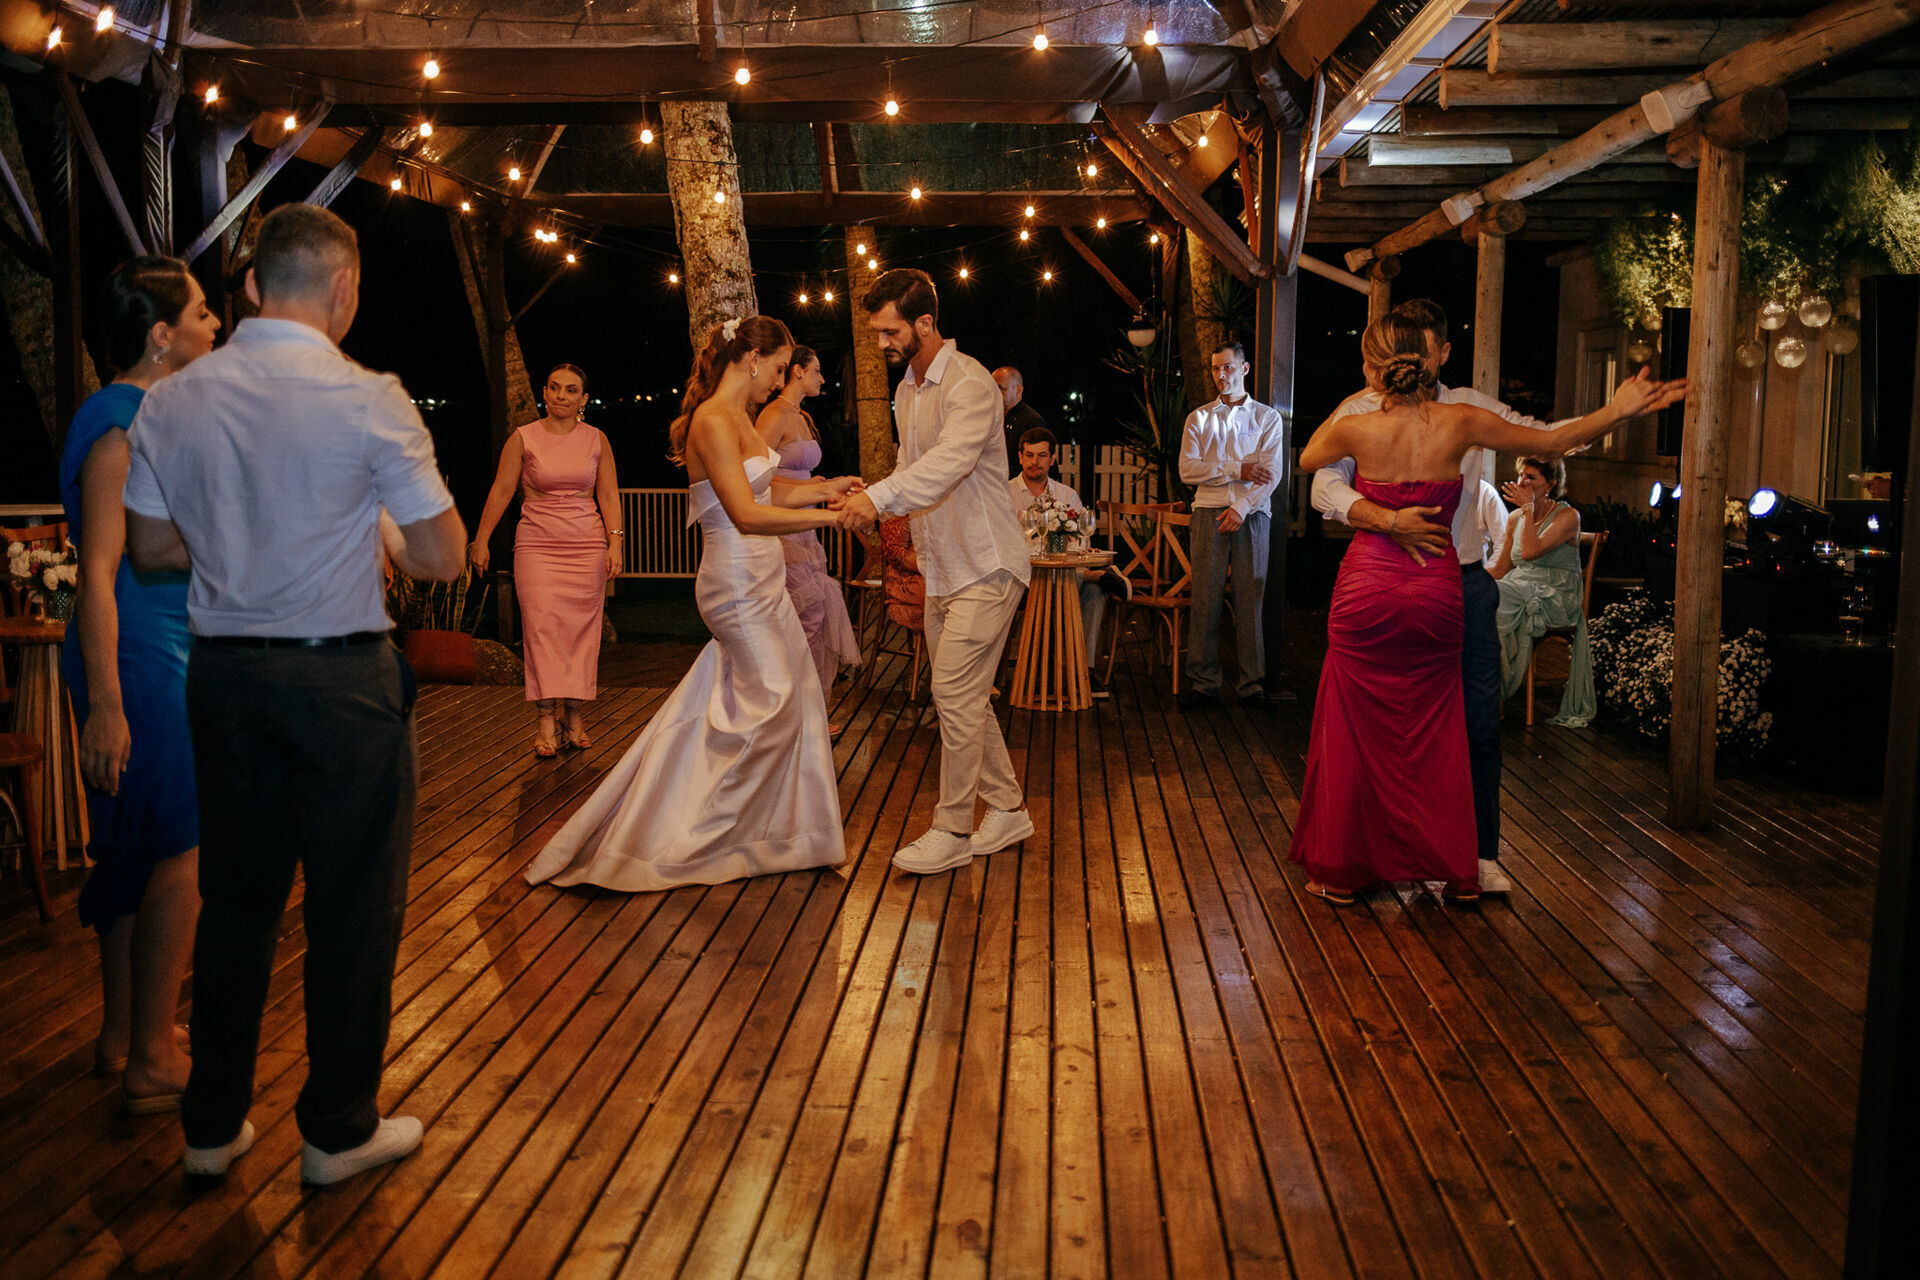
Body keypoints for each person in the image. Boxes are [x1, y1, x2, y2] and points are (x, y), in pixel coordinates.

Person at [123, 203, 466, 1184]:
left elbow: (150, 549)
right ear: (344, 288)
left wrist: (243, 544)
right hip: (341, 677)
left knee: (237, 899)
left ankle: (211, 1124)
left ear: (252, 285)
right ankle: (336, 1128)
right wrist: (381, 531)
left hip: (224, 674)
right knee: (352, 906)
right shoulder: (369, 396)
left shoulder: (172, 402)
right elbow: (443, 555)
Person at [1292, 313, 1683, 905]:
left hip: (1369, 587)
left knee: (1357, 722)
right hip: (1436, 590)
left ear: (1376, 369)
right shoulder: (1463, 421)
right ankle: (1449, 861)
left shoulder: (1355, 425)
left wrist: (1368, 410)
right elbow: (1552, 443)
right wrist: (1618, 409)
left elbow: (1306, 463)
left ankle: (1345, 868)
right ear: (1430, 361)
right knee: (1437, 726)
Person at [523, 316, 857, 893]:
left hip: (765, 580)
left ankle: (781, 832)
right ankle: (701, 833)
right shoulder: (710, 420)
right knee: (774, 699)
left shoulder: (741, 419)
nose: (777, 381)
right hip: (735, 583)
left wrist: (827, 488)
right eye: (778, 369)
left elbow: (766, 489)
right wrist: (834, 518)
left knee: (792, 695)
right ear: (753, 358)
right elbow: (746, 515)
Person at [1310, 297, 1559, 896]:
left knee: (1474, 723)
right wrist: (1383, 517)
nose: (1406, 362)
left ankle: (1473, 857)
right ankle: (1374, 857)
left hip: (1462, 582)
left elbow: (1540, 436)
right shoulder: (1359, 409)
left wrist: (1587, 431)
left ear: (1442, 353)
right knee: (1376, 722)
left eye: (1418, 351)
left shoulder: (1471, 410)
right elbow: (1323, 482)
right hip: (1384, 575)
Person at [60, 256, 219, 1113]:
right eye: (200, 311)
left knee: (129, 841)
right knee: (184, 843)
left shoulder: (143, 414)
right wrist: (110, 704)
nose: (214, 322)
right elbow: (98, 572)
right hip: (142, 655)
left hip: (150, 647)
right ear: (161, 336)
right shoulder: (121, 425)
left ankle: (123, 1033)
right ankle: (156, 1056)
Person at [839, 269, 1034, 875]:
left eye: (889, 331)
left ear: (926, 322)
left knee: (951, 691)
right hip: (943, 569)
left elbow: (949, 465)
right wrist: (870, 491)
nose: (880, 344)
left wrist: (879, 500)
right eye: (875, 333)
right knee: (966, 697)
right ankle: (1006, 809)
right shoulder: (905, 392)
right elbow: (909, 465)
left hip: (989, 564)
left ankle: (952, 827)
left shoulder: (971, 384)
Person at [468, 364, 619, 756]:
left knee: (580, 634)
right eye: (555, 388)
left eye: (571, 390)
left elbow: (609, 495)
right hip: (537, 545)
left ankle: (575, 713)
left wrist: (614, 543)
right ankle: (545, 719)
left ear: (584, 399)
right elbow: (502, 490)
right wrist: (481, 539)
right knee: (541, 631)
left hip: (585, 546)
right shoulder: (523, 438)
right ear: (544, 392)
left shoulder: (597, 440)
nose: (562, 395)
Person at [1177, 340, 1288, 708]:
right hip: (1208, 512)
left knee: (1249, 599)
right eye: (1215, 368)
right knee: (1205, 598)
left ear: (1244, 368)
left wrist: (1241, 506)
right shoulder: (1199, 418)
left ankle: (1251, 686)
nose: (1220, 375)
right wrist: (1235, 469)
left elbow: (1270, 475)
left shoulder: (1266, 418)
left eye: (1227, 367)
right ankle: (1203, 683)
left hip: (1253, 516)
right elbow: (1187, 470)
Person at [757, 345, 862, 732]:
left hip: (805, 517)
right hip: (783, 519)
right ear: (797, 372)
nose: (822, 379)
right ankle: (789, 713)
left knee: (816, 608)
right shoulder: (772, 415)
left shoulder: (801, 416)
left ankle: (811, 710)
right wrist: (807, 488)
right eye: (817, 371)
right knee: (802, 611)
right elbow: (755, 477)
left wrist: (816, 484)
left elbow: (792, 472)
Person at [1007, 425, 1129, 689]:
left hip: (1063, 576)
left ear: (1052, 459)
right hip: (1022, 579)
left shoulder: (1066, 495)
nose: (1034, 462)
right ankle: (1094, 575)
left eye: (1041, 455)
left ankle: (1083, 671)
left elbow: (1080, 542)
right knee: (1088, 582)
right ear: (1020, 457)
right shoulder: (1005, 494)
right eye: (1029, 455)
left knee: (1094, 595)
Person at [1489, 456, 1596, 727]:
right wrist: (1464, 578)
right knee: (1482, 599)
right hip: (1518, 587)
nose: (1523, 482)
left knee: (1498, 601)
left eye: (1531, 477)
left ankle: (1496, 697)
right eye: (1521, 476)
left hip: (1556, 595)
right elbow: (1501, 569)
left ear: (1550, 484)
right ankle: (1486, 693)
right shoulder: (1515, 518)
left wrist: (1527, 508)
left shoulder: (1568, 516)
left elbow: (1530, 551)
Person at [993, 365, 1049, 478]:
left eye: (1001, 389)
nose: (994, 393)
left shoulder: (1031, 421)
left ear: (1018, 390)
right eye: (992, 388)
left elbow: (1040, 467)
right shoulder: (995, 419)